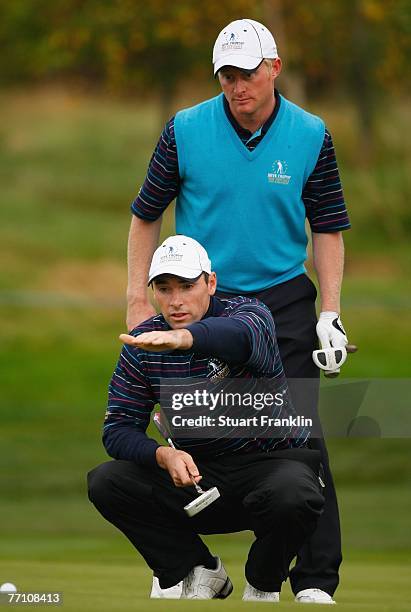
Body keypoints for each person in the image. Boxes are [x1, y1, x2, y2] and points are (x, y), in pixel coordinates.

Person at [126, 18, 351, 604]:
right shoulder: (185, 129)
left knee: (302, 433)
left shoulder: (310, 133)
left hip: (282, 299)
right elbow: (145, 214)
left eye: (247, 72)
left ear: (273, 68)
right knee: (198, 423)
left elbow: (326, 227)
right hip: (204, 302)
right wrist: (134, 299)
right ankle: (191, 563)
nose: (236, 85)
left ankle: (313, 579)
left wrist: (330, 312)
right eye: (226, 74)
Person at [88, 235, 325, 601]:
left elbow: (237, 337)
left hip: (269, 469)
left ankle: (263, 584)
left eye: (186, 285)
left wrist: (182, 339)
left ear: (210, 283)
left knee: (295, 492)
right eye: (164, 289)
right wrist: (163, 455)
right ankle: (196, 569)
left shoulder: (250, 314)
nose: (176, 299)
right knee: (107, 481)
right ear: (153, 292)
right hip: (197, 480)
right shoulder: (144, 342)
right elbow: (118, 429)